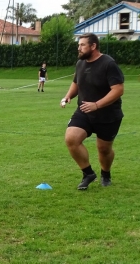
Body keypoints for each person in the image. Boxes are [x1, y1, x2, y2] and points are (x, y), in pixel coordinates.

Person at [60, 33, 124, 190]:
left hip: (108, 114)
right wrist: (68, 96)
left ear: (93, 46)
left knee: (104, 149)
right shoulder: (80, 63)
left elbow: (118, 89)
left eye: (82, 45)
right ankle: (88, 173)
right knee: (71, 138)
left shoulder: (108, 64)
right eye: (78, 45)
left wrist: (97, 104)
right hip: (84, 111)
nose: (79, 48)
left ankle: (106, 174)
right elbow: (76, 83)